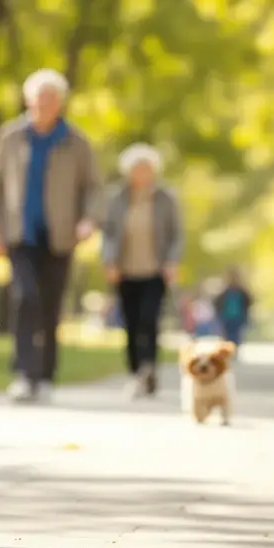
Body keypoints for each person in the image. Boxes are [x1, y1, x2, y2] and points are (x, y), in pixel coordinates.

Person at [0, 69, 102, 404]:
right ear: (28, 100)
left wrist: (89, 220)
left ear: (59, 102)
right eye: (38, 97)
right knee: (25, 297)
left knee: (50, 305)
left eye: (50, 98)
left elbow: (93, 187)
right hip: (20, 233)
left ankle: (46, 375)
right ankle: (23, 373)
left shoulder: (76, 141)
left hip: (60, 236)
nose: (44, 104)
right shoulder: (11, 136)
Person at [101, 143, 183, 397]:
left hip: (155, 271)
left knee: (150, 319)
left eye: (147, 169)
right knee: (131, 324)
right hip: (125, 271)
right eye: (137, 169)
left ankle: (149, 368)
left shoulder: (165, 197)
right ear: (129, 171)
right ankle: (136, 372)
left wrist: (172, 261)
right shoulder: (117, 198)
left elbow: (176, 234)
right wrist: (110, 262)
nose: (142, 173)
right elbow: (109, 233)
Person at [215, 268, 253, 353]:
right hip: (226, 316)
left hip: (238, 317)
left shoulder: (241, 291)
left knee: (236, 335)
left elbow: (248, 301)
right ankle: (228, 350)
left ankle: (234, 350)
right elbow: (217, 302)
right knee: (227, 335)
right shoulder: (225, 291)